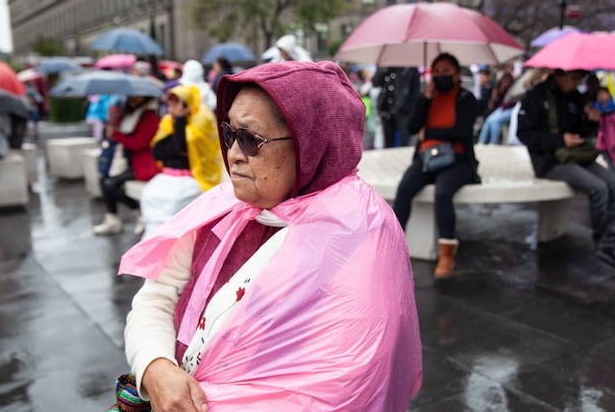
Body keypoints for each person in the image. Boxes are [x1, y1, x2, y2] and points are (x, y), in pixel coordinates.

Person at [117, 61, 422, 411]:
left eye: (251, 140)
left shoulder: (359, 239)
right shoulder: (223, 208)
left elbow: (342, 387)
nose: (233, 155)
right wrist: (155, 367)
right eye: (229, 134)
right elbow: (157, 296)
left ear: (310, 144)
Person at [518, 68, 615, 274]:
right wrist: (559, 140)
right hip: (549, 161)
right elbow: (525, 135)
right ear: (558, 74)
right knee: (598, 188)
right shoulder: (535, 97)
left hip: (577, 155)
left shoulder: (575, 98)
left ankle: (612, 240)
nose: (575, 83)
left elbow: (583, 132)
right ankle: (603, 244)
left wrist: (591, 120)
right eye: (573, 79)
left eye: (579, 80)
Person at [392, 53, 479, 279]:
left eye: (446, 72)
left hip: (456, 159)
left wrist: (429, 132)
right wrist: (425, 100)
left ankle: (447, 253)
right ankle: (393, 247)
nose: (441, 76)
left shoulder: (466, 98)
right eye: (437, 72)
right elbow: (412, 127)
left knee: (443, 193)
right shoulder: (427, 97)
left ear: (457, 74)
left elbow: (462, 132)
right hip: (426, 158)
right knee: (405, 188)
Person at [139, 84, 223, 238]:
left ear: (187, 104)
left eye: (176, 105)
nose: (172, 109)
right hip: (167, 177)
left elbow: (181, 148)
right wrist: (177, 123)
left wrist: (180, 119)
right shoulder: (167, 122)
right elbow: (158, 152)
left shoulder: (201, 121)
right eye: (170, 105)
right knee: (148, 195)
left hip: (194, 178)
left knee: (172, 203)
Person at [93, 96, 161, 235]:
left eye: (137, 96)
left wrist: (116, 134)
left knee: (110, 184)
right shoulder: (130, 113)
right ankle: (112, 218)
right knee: (104, 179)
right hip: (128, 160)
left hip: (144, 164)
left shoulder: (149, 117)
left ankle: (139, 211)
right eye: (131, 96)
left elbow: (138, 144)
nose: (133, 99)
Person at [372, 66, 421, 147]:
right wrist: (383, 69)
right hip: (386, 109)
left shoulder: (410, 67)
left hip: (404, 111)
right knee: (388, 143)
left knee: (404, 142)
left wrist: (410, 107)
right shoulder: (385, 66)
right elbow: (375, 82)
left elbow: (416, 90)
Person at [478, 72, 516, 144]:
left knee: (494, 121)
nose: (506, 83)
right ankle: (481, 142)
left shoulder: (513, 89)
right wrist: (496, 92)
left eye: (507, 81)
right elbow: (493, 103)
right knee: (488, 120)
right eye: (504, 81)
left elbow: (510, 103)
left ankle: (494, 142)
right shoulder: (499, 88)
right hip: (502, 109)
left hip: (511, 109)